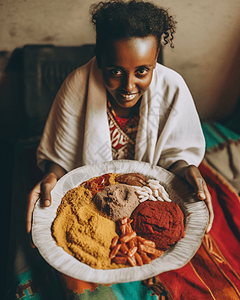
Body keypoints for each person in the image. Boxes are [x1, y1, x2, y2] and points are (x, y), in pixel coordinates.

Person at [26, 0, 214, 242]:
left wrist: (188, 169)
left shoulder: (173, 88)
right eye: (115, 71)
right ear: (100, 58)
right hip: (93, 200)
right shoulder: (76, 85)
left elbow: (172, 165)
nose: (128, 87)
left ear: (156, 59)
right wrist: (50, 177)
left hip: (148, 202)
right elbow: (61, 160)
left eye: (142, 71)